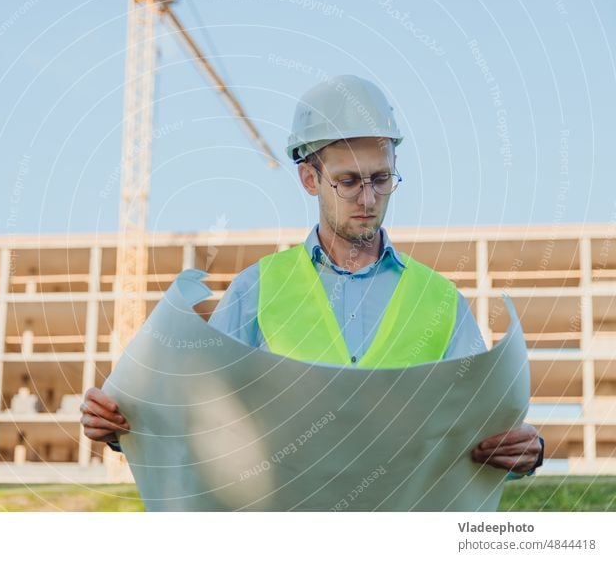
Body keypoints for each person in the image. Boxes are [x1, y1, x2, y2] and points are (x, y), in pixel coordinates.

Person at [81, 74, 544, 481]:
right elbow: (197, 417)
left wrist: (527, 451)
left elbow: (483, 430)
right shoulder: (257, 289)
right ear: (309, 179)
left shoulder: (440, 299)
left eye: (382, 179)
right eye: (348, 181)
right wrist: (123, 429)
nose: (368, 197)